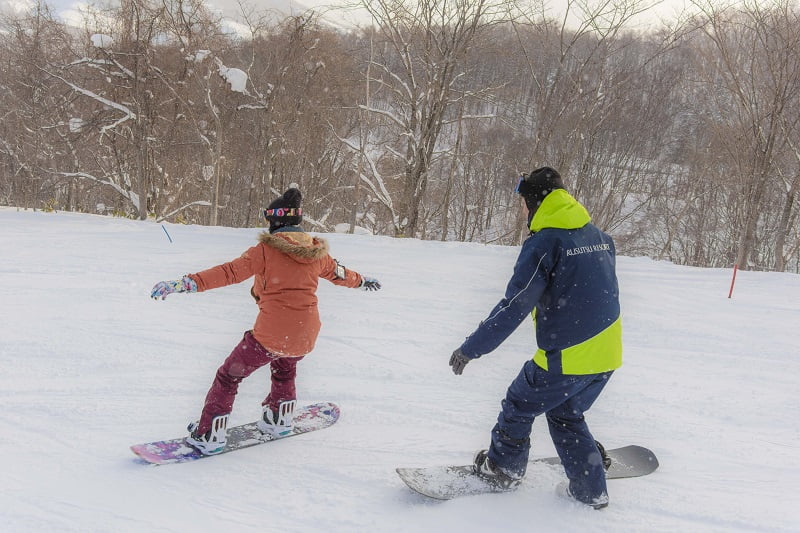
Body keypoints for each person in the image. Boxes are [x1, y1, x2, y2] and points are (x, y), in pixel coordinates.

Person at [150, 187, 381, 455]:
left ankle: (209, 434)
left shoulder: (264, 251)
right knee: (285, 367)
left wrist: (188, 283)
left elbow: (228, 272)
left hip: (271, 334)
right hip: (305, 335)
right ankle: (278, 420)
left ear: (276, 222)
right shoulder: (318, 253)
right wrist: (363, 281)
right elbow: (341, 273)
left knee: (228, 376)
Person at [449, 167, 622, 509]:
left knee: (519, 403)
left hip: (567, 357)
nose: (522, 212)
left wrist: (472, 348)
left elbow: (515, 305)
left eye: (523, 203)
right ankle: (590, 490)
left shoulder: (545, 243)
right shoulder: (600, 236)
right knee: (565, 412)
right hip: (607, 353)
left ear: (534, 201)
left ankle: (504, 468)